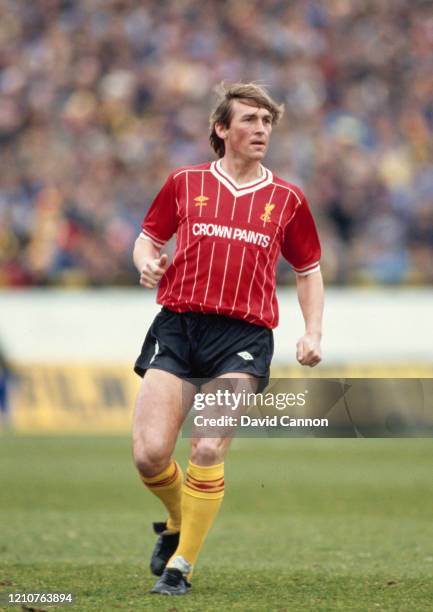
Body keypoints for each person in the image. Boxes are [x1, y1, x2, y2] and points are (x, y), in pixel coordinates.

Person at [132, 82, 324, 596]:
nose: (261, 130)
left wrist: (312, 332)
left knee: (208, 445)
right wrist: (146, 264)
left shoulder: (287, 199)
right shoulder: (185, 182)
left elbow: (308, 270)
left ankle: (181, 567)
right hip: (178, 326)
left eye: (267, 122)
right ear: (222, 128)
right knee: (150, 454)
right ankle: (176, 521)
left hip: (242, 336)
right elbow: (148, 238)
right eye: (249, 120)